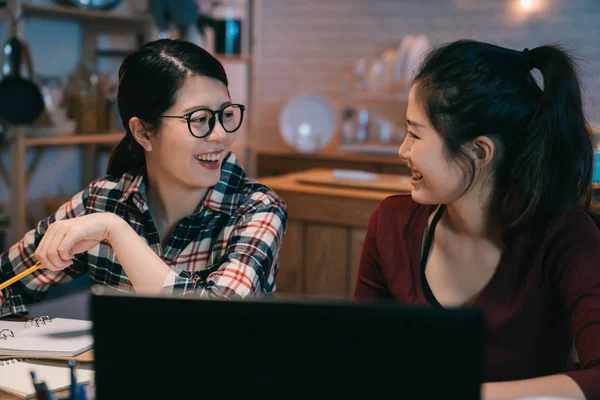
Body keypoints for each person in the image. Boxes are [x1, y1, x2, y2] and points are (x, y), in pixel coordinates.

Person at [353, 40, 600, 399]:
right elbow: (362, 356)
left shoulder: (566, 235)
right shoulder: (391, 223)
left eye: (415, 134)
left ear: (478, 151)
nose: (402, 151)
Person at [0, 39, 288, 316]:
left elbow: (213, 324)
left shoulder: (257, 209)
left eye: (226, 114)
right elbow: (7, 284)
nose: (221, 136)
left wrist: (117, 231)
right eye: (199, 119)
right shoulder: (104, 200)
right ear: (143, 132)